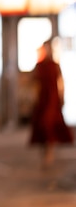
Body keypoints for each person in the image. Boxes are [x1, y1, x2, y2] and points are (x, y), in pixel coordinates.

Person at [29, 39, 74, 169]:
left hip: (52, 99)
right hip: (42, 99)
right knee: (41, 125)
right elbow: (33, 82)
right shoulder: (39, 65)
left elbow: (60, 81)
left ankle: (49, 153)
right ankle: (45, 152)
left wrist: (62, 96)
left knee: (50, 124)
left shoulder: (55, 65)